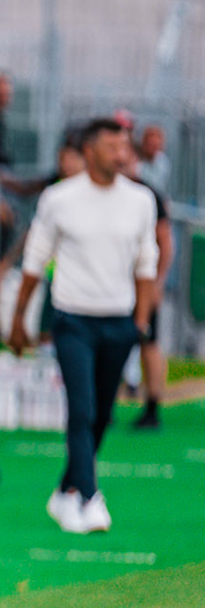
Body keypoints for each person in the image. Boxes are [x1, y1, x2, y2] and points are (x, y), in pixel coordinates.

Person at [8, 119, 158, 534]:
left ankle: (65, 490)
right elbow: (35, 261)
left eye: (124, 145)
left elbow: (147, 261)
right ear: (89, 151)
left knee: (103, 416)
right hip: (73, 319)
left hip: (120, 320)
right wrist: (18, 319)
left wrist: (140, 322)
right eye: (111, 145)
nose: (121, 153)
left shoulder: (141, 200)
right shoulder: (60, 198)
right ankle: (90, 498)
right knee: (82, 408)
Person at [132, 124, 173, 432]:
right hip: (115, 282)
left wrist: (158, 281)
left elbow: (165, 241)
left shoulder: (149, 195)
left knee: (150, 341)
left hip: (143, 281)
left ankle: (153, 404)